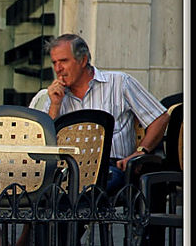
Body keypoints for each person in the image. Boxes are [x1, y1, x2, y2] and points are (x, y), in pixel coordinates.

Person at [29, 33, 169, 194]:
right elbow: (43, 143)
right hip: (65, 170)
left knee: (80, 194)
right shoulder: (55, 95)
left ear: (82, 60)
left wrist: (141, 152)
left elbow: (160, 117)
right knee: (39, 192)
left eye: (63, 61)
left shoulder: (119, 83)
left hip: (109, 167)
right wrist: (55, 105)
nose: (57, 69)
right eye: (54, 62)